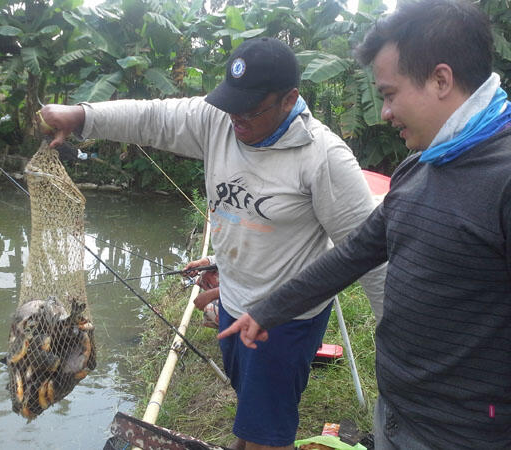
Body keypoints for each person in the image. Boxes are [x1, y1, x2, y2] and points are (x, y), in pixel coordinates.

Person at [38, 37, 385, 450]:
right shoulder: (220, 119)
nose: (236, 119)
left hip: (285, 322)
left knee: (267, 435)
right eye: (230, 105)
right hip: (234, 305)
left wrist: (399, 349)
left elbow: (372, 254)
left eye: (251, 110)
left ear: (289, 98)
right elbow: (153, 118)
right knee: (252, 415)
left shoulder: (324, 158)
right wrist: (80, 116)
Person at [218, 1, 511, 449]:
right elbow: (356, 253)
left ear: (441, 80)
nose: (384, 113)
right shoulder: (420, 168)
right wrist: (269, 310)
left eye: (390, 94)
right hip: (398, 412)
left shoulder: (503, 179)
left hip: (468, 433)